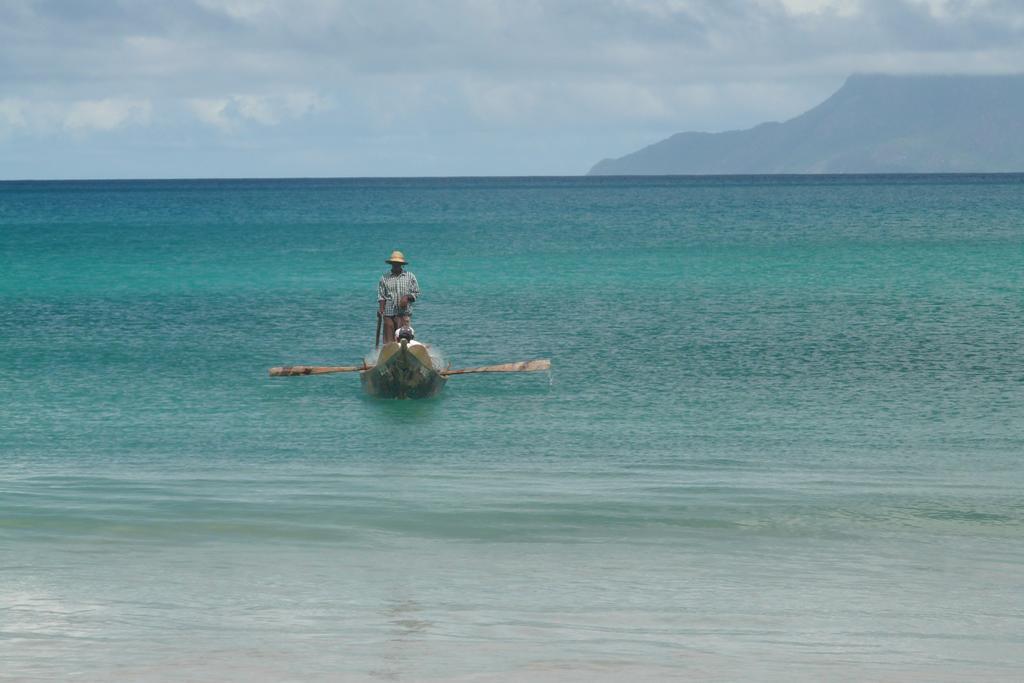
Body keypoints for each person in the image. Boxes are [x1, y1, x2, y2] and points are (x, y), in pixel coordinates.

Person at [378, 250, 420, 345]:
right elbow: (381, 296)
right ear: (391, 264)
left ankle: (404, 352)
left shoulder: (410, 276)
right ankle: (389, 353)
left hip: (404, 312)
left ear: (402, 264)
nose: (396, 265)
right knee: (389, 341)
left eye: (398, 264)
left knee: (404, 337)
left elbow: (416, 292)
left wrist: (407, 297)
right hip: (389, 312)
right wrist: (381, 309)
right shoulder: (384, 278)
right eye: (394, 263)